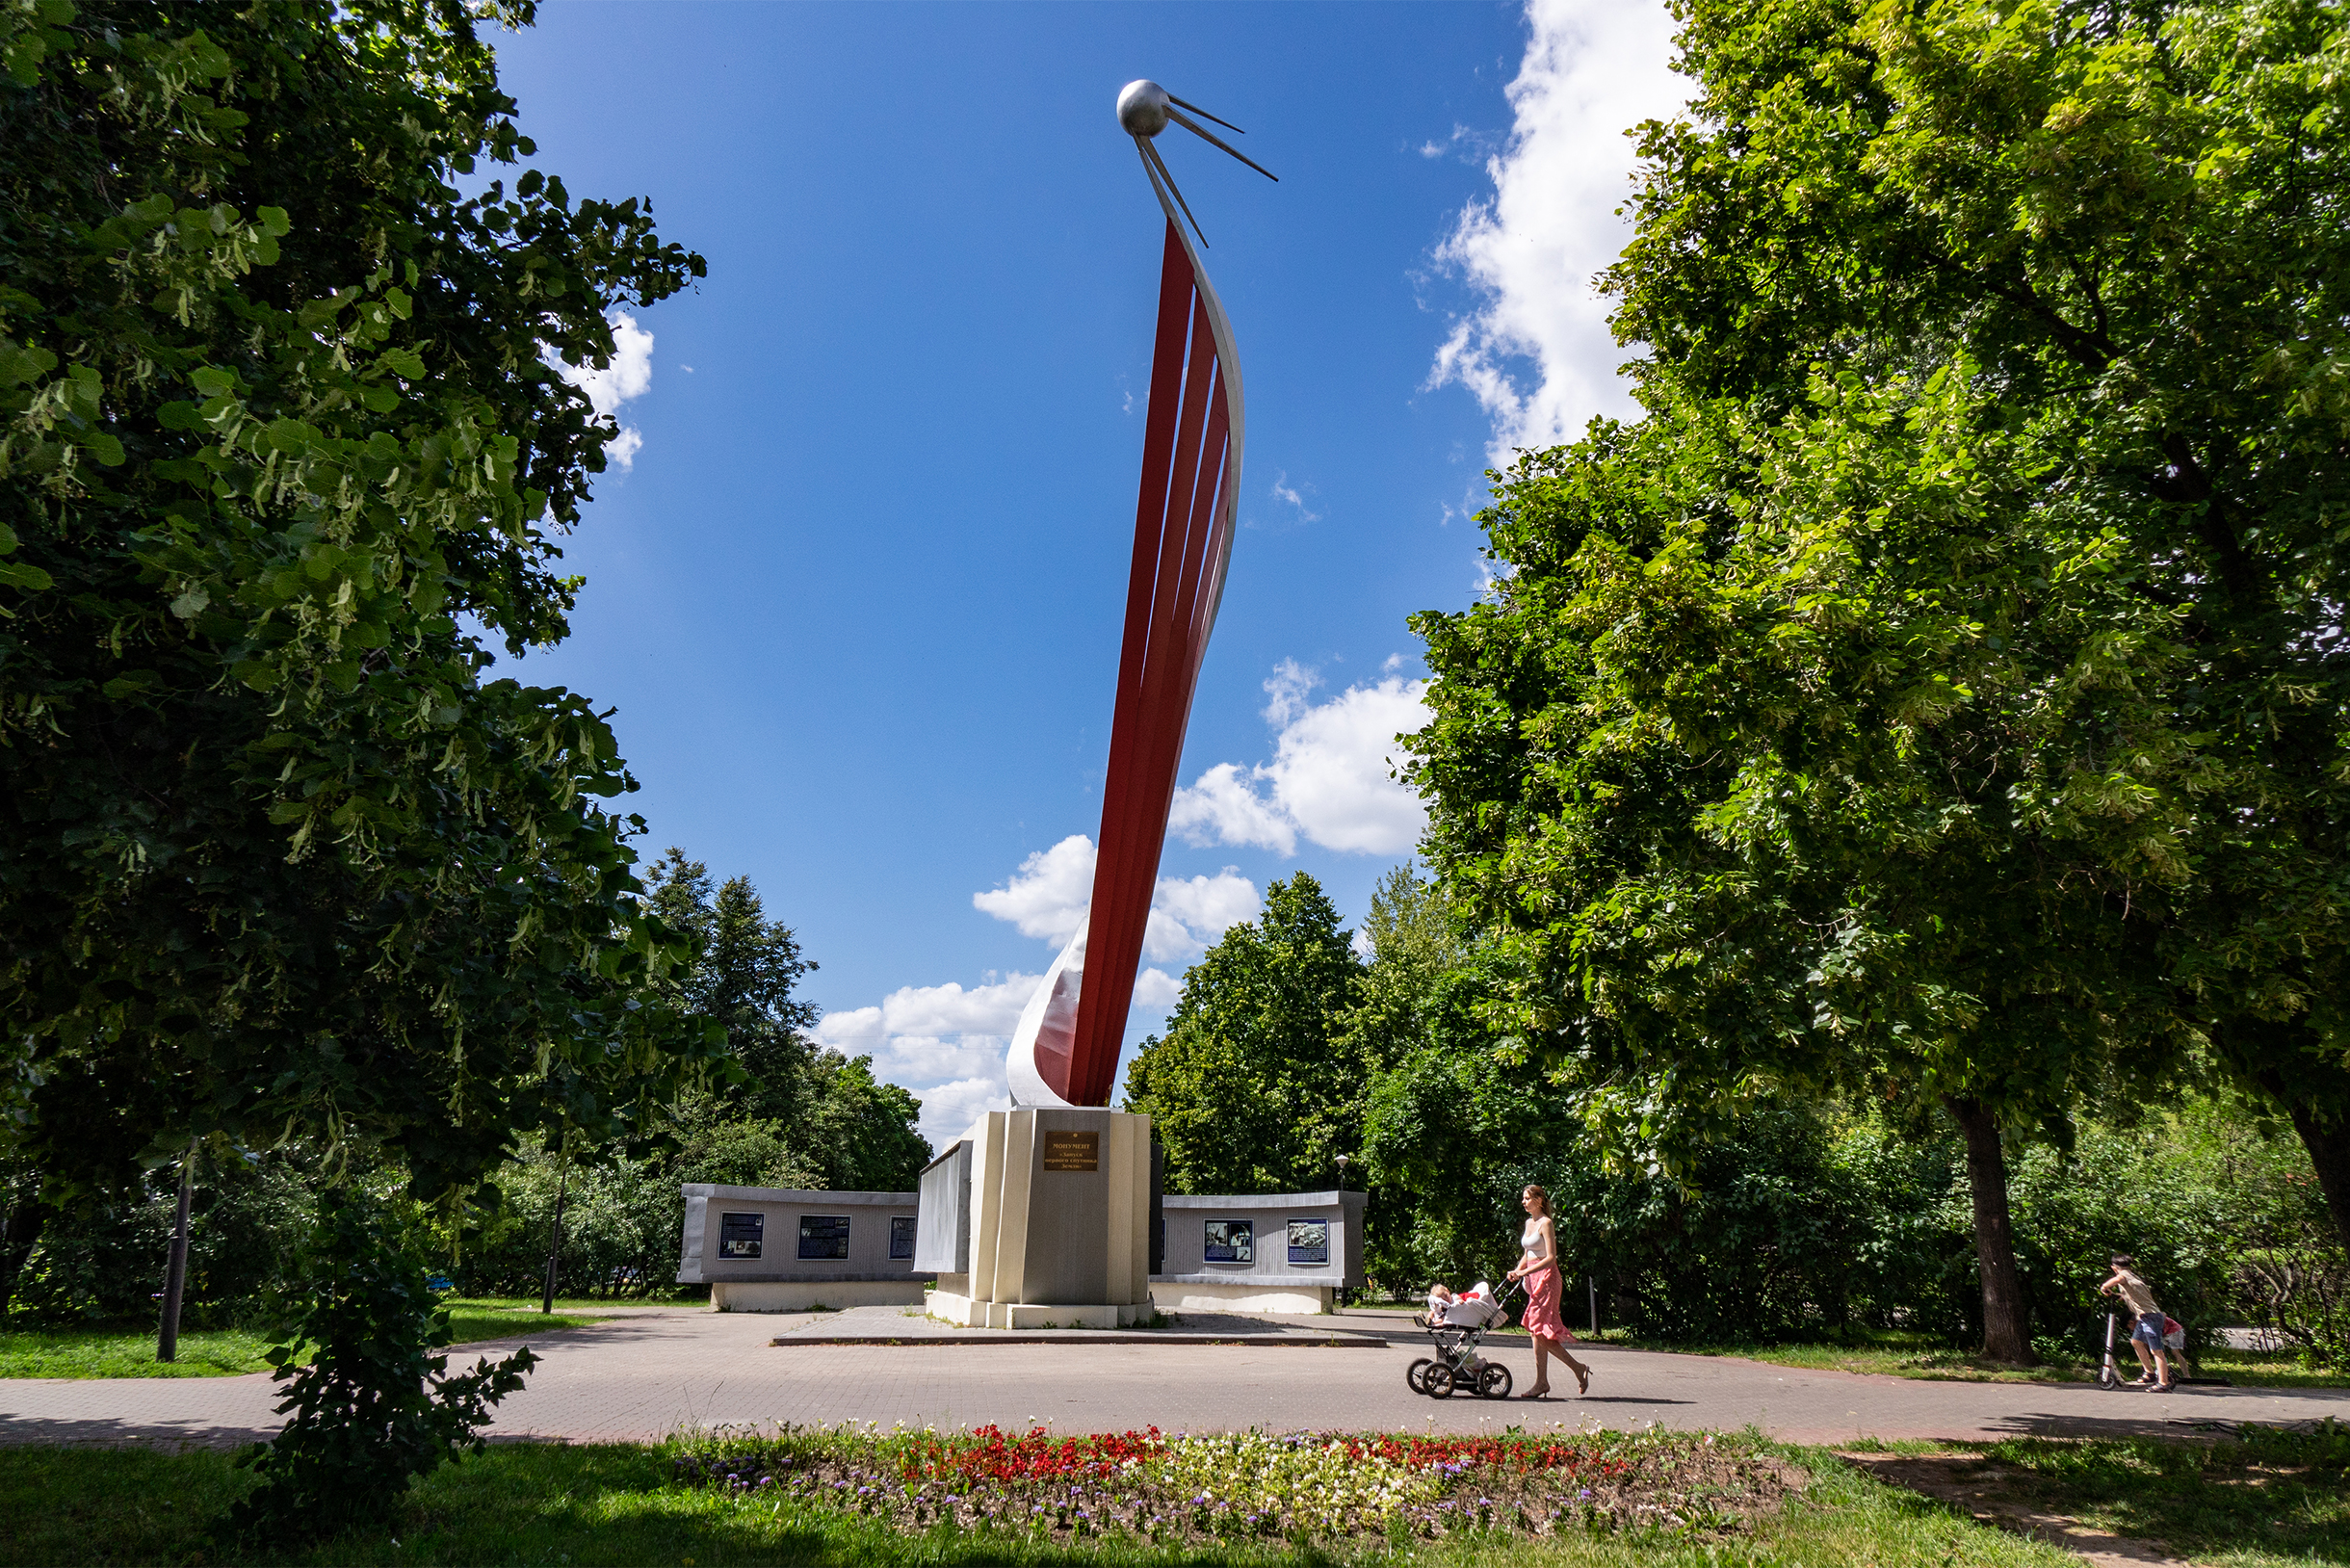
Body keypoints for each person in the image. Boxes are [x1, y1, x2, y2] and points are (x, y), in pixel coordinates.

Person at [1506, 1184, 1589, 1398]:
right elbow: (1528, 1253)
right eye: (1523, 1199)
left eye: (1527, 1198)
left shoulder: (1546, 1223)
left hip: (1547, 1278)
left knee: (1538, 1330)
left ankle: (1573, 1370)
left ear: (1539, 1200)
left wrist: (1526, 1272)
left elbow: (1551, 1258)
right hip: (1533, 1279)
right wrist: (1518, 1270)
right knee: (1537, 1332)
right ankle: (1544, 1380)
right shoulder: (1529, 1223)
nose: (1523, 1202)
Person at [2099, 1253, 2176, 1391]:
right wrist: (2117, 1296)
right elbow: (2130, 1295)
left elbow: (2111, 1283)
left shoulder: (2123, 1276)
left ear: (2114, 1268)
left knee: (2156, 1350)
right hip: (2143, 1317)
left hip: (2151, 1316)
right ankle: (2149, 1373)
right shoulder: (2133, 1277)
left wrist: (2104, 1288)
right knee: (2136, 1341)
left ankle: (2163, 1382)